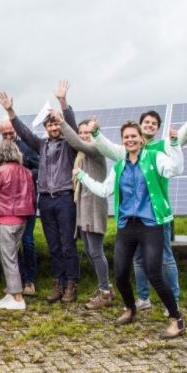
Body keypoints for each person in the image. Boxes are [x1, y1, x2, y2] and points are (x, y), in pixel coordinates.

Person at [87, 96, 187, 314]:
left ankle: (173, 300)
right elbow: (108, 148)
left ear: (158, 128)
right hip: (131, 220)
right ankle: (143, 298)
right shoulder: (128, 150)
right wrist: (96, 134)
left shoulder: (161, 148)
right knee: (137, 258)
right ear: (140, 126)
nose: (150, 125)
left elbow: (183, 136)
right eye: (147, 122)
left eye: (154, 123)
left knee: (164, 258)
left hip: (156, 216)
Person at [75, 121, 186, 339]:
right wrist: (82, 176)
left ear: (141, 139)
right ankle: (130, 309)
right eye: (126, 137)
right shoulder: (119, 167)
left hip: (150, 225)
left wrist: (174, 144)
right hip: (126, 226)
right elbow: (105, 190)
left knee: (154, 273)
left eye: (134, 136)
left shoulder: (154, 158)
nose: (130, 140)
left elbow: (176, 169)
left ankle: (177, 320)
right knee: (121, 273)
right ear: (123, 140)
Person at [0, 82, 81, 303]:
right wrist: (10, 111)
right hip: (45, 200)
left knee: (68, 244)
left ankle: (72, 284)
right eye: (50, 125)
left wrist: (63, 103)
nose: (54, 128)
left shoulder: (70, 145)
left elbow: (71, 127)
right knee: (54, 245)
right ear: (45, 128)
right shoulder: (41, 145)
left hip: (64, 199)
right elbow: (24, 133)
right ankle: (59, 283)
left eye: (56, 125)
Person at [50, 110, 115, 309]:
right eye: (81, 132)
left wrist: (61, 122)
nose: (83, 135)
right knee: (89, 250)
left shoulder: (95, 149)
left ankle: (104, 291)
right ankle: (107, 287)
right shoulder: (81, 155)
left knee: (95, 251)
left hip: (93, 206)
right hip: (84, 206)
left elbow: (77, 143)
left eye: (87, 132)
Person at [0, 117, 40, 296]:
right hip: (5, 209)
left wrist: (23, 176)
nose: (8, 136)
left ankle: (30, 281)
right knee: (10, 250)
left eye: (11, 132)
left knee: (27, 241)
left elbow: (41, 170)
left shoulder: (28, 147)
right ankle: (16, 281)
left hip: (26, 205)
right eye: (5, 133)